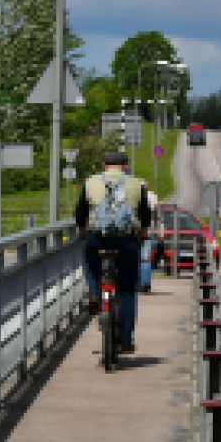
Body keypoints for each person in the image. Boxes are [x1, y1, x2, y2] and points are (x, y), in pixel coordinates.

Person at [76, 150, 152, 354]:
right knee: (127, 289)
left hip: (97, 238)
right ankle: (126, 340)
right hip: (126, 241)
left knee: (90, 261)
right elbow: (145, 214)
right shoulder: (136, 184)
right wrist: (143, 233)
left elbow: (81, 212)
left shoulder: (91, 182)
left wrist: (83, 230)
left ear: (104, 165)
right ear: (125, 166)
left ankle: (94, 293)